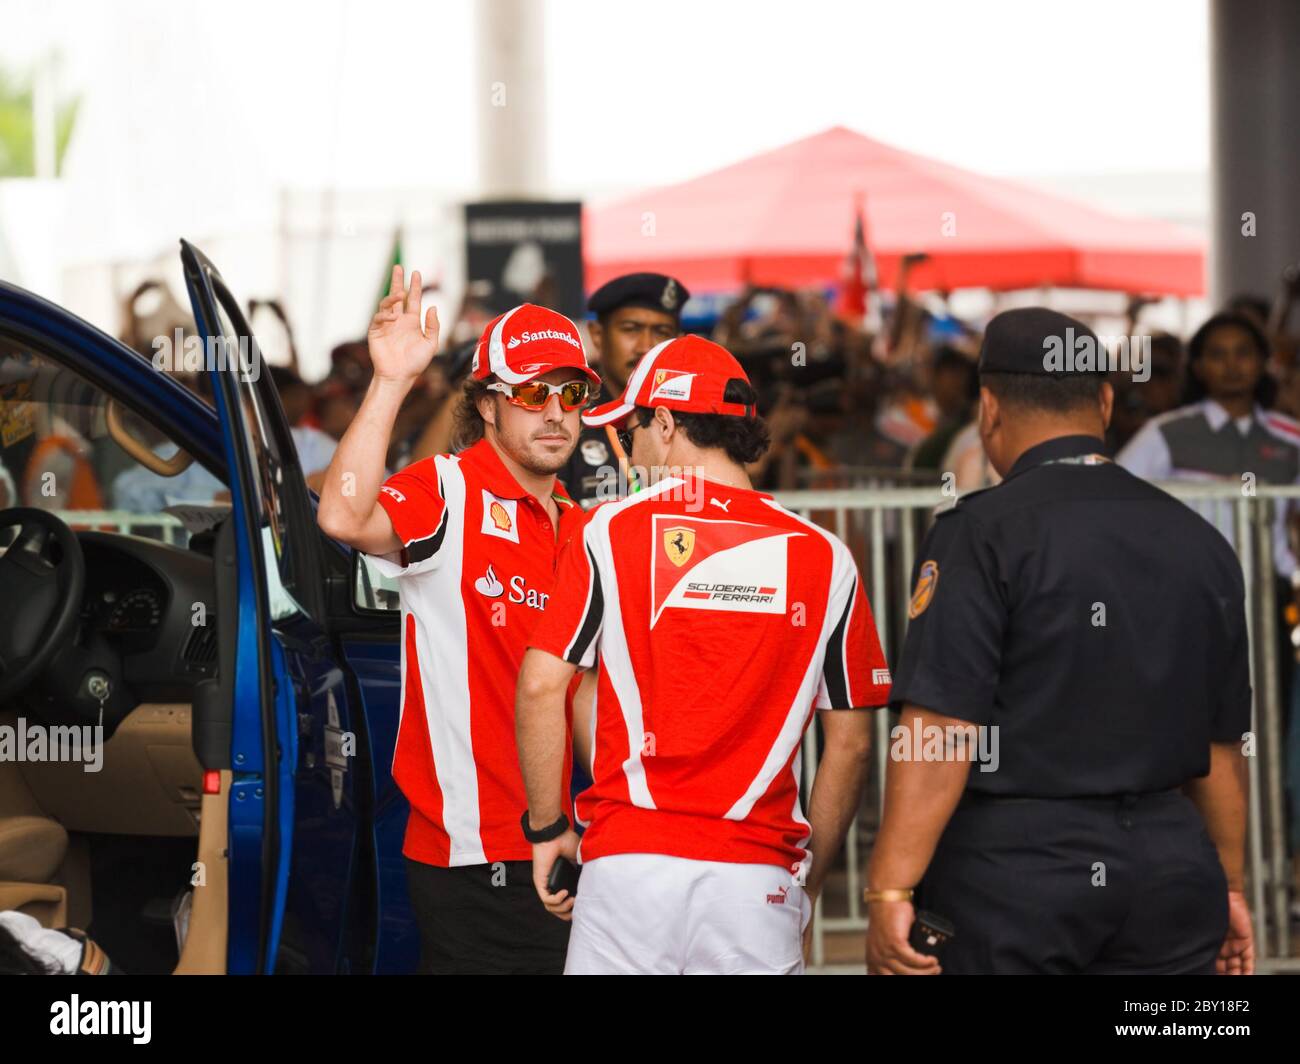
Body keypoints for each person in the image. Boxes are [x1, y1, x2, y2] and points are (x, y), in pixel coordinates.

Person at [866, 308, 1254, 975]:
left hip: (1017, 876)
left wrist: (890, 887)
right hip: (1169, 871)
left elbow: (942, 729)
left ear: (989, 407)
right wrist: (1230, 885)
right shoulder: (1202, 542)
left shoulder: (980, 533)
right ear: (1104, 402)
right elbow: (1221, 747)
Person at [515, 334, 889, 974]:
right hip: (755, 879)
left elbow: (541, 687)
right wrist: (809, 886)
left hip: (627, 867)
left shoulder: (608, 531)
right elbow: (851, 745)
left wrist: (548, 831)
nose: (626, 450)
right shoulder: (827, 557)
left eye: (631, 433)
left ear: (664, 423)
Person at [316, 267, 599, 974]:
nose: (556, 411)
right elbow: (342, 514)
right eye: (533, 393)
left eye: (573, 392)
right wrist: (390, 381)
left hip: (580, 847)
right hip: (478, 860)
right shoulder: (450, 488)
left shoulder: (586, 525)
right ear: (489, 404)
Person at [556, 272, 689, 507]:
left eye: (662, 332)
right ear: (597, 334)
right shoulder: (566, 416)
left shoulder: (693, 422)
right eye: (631, 329)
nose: (646, 346)